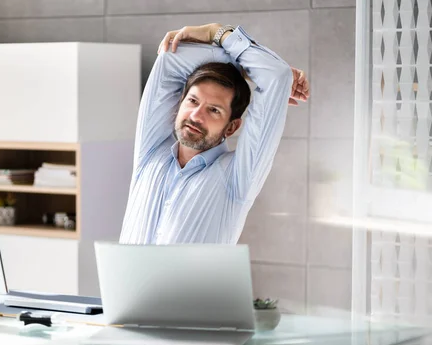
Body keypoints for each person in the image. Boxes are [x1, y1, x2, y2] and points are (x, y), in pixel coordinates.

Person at [119, 23, 310, 244]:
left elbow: (276, 75)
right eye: (192, 101)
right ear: (180, 102)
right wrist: (242, 71)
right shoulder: (150, 153)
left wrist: (216, 33)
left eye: (214, 110)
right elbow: (169, 59)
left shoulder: (237, 177)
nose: (196, 115)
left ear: (231, 127)